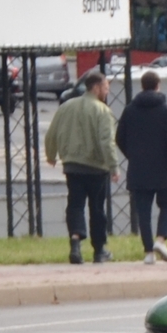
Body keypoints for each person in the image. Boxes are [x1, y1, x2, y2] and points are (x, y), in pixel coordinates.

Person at [43, 68, 122, 264]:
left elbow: (51, 133)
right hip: (96, 167)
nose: (107, 92)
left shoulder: (66, 106)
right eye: (105, 87)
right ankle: (99, 250)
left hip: (72, 166)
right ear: (96, 88)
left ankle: (76, 243)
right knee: (97, 209)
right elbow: (106, 141)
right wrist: (113, 167)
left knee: (75, 205)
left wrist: (51, 155)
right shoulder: (103, 111)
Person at [116, 69, 167, 263]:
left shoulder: (130, 109)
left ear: (142, 86)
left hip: (139, 169)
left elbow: (119, 137)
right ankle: (161, 239)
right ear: (158, 85)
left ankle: (148, 253)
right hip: (163, 168)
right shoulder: (166, 109)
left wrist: (133, 155)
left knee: (143, 211)